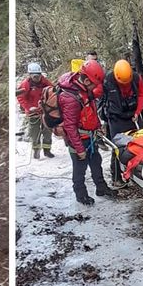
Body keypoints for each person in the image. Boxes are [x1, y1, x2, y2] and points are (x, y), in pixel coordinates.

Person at [58, 59, 117, 205]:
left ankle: (101, 188)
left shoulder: (83, 89)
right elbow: (70, 126)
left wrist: (97, 126)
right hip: (78, 139)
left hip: (90, 136)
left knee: (96, 163)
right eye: (93, 84)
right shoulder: (70, 98)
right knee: (80, 170)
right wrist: (79, 149)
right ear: (85, 79)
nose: (95, 88)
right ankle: (81, 194)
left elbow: (90, 110)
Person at [101, 59, 143, 184]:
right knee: (118, 147)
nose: (125, 85)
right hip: (116, 117)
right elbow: (100, 99)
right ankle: (116, 177)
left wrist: (137, 112)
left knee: (141, 142)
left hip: (133, 115)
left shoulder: (136, 78)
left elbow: (142, 95)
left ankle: (140, 173)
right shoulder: (108, 81)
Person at [16, 62, 54, 158]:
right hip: (33, 113)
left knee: (47, 131)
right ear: (30, 75)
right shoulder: (25, 85)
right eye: (34, 76)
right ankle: (36, 150)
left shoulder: (46, 83)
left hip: (45, 112)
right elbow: (21, 98)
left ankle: (47, 150)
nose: (37, 78)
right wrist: (29, 108)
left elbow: (53, 93)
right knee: (35, 133)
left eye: (38, 75)